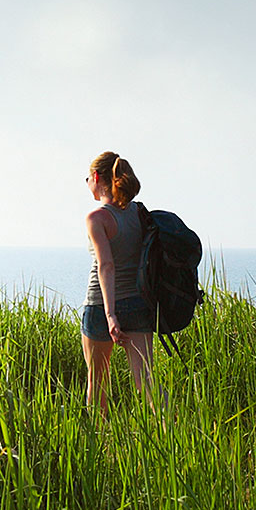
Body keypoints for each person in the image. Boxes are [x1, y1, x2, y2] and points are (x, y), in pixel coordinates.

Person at [83, 151, 155, 410]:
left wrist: (110, 314)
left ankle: (99, 446)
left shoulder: (97, 218)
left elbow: (106, 265)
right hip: (137, 304)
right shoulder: (139, 213)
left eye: (87, 178)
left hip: (100, 306)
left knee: (97, 381)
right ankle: (174, 435)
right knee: (147, 382)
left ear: (96, 176)